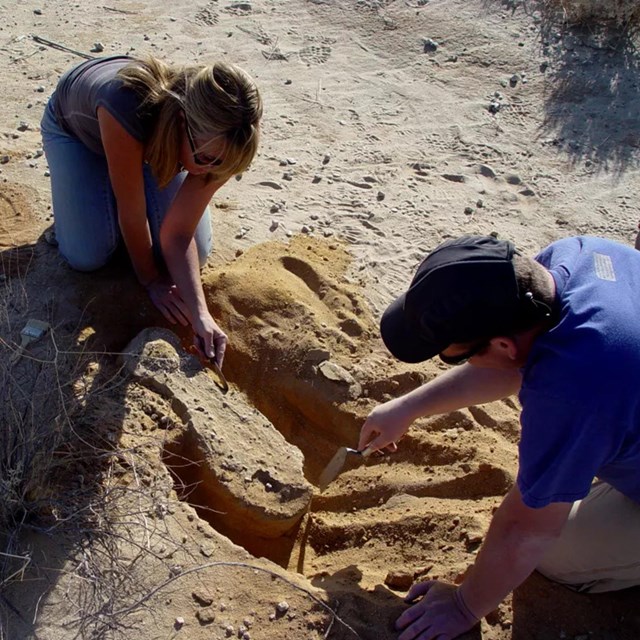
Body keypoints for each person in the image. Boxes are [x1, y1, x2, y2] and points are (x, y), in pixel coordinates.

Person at [358, 235, 640, 640]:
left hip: (605, 392)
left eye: (454, 355)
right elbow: (514, 361)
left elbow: (527, 529)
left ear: (503, 343)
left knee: (557, 554)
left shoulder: (574, 389)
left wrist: (463, 605)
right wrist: (407, 408)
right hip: (618, 387)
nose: (455, 361)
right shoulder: (576, 257)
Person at [41, 55, 263, 367]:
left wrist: (201, 314)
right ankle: (89, 192)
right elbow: (133, 216)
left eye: (220, 164)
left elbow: (179, 233)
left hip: (154, 141)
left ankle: (112, 186)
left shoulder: (229, 141)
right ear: (183, 122)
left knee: (195, 253)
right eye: (207, 159)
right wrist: (150, 280)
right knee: (86, 254)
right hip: (79, 134)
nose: (211, 171)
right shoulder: (125, 106)